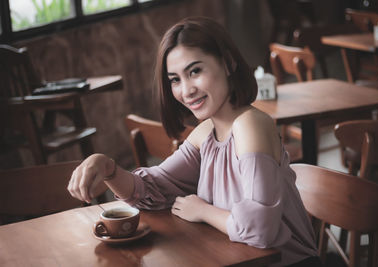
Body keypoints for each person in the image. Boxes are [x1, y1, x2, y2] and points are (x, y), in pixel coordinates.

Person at [68, 17, 320, 266]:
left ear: (228, 63)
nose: (186, 90)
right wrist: (107, 167)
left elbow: (261, 230)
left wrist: (202, 211)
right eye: (175, 79)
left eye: (195, 71)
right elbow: (151, 191)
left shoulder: (250, 124)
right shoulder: (206, 132)